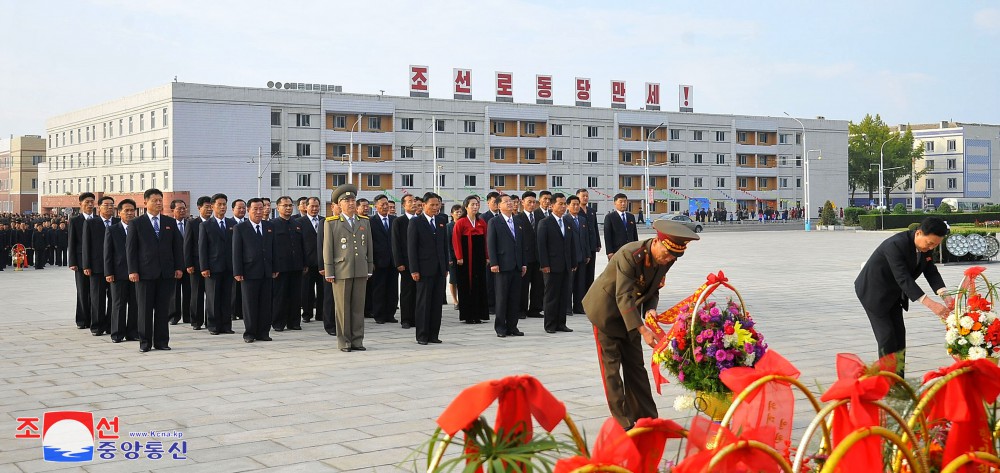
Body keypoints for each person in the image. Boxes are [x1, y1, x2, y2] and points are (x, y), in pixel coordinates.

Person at [584, 219, 699, 430]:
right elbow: (623, 295)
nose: (668, 260)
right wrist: (642, 329)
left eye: (672, 257)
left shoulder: (668, 258)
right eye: (666, 254)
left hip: (630, 314)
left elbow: (653, 288)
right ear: (656, 241)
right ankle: (625, 423)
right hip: (605, 312)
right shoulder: (630, 254)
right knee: (612, 368)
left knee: (636, 365)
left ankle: (647, 417)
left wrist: (650, 309)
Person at [855, 217, 952, 376]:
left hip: (894, 293)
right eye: (930, 243)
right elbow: (903, 277)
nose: (931, 247)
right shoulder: (895, 245)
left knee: (899, 337)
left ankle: (898, 381)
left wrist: (945, 295)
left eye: (936, 244)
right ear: (919, 233)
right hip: (874, 291)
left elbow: (930, 271)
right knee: (886, 337)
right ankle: (886, 381)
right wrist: (930, 304)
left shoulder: (925, 248)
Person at [127, 189, 184, 353]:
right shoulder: (136, 223)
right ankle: (145, 342)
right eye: (155, 200)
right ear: (145, 202)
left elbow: (177, 248)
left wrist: (178, 267)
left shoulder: (169, 222)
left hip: (166, 273)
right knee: (144, 309)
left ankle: (161, 341)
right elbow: (131, 249)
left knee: (162, 309)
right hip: (144, 273)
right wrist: (133, 270)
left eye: (160, 200)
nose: (158, 203)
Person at [323, 184, 374, 352]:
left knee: (358, 307)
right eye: (347, 200)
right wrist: (329, 271)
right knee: (343, 309)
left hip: (360, 269)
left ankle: (357, 340)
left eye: (353, 200)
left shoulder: (364, 222)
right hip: (341, 270)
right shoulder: (331, 223)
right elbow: (328, 248)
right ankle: (344, 342)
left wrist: (369, 267)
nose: (351, 203)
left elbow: (369, 247)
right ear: (339, 204)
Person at [408, 192, 449, 345]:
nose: (435, 208)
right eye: (432, 205)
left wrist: (445, 267)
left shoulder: (441, 221)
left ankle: (434, 334)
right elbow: (411, 248)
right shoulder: (416, 222)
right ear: (424, 205)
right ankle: (422, 335)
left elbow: (444, 246)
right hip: (423, 270)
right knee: (423, 304)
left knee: (436, 304)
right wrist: (414, 270)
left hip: (439, 269)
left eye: (437, 205)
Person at [233, 198, 276, 343]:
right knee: (250, 304)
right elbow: (236, 251)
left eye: (260, 209)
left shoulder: (269, 226)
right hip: (248, 272)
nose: (258, 212)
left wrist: (274, 268)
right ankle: (250, 332)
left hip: (266, 271)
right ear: (248, 210)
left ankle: (263, 332)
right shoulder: (240, 228)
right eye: (255, 209)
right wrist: (238, 271)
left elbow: (273, 249)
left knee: (265, 303)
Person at [536, 193, 577, 334]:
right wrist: (544, 264)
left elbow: (571, 243)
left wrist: (572, 262)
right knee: (551, 296)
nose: (564, 206)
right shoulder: (545, 223)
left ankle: (561, 323)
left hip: (565, 265)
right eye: (560, 204)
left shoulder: (567, 222)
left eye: (565, 203)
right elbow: (541, 246)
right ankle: (550, 324)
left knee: (563, 295)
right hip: (551, 266)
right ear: (552, 205)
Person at [487, 194, 526, 338]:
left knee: (514, 298)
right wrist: (494, 262)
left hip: (516, 265)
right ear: (498, 205)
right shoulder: (494, 222)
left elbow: (521, 244)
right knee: (502, 298)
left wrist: (523, 263)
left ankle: (512, 326)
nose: (510, 204)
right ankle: (500, 327)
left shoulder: (518, 220)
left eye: (511, 201)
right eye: (506, 202)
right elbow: (491, 244)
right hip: (502, 265)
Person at [199, 193, 235, 336]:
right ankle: (213, 325)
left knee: (227, 297)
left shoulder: (233, 224)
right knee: (213, 297)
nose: (222, 207)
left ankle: (226, 325)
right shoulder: (206, 225)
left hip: (229, 267)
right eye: (219, 204)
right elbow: (202, 248)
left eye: (224, 204)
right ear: (212, 206)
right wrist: (204, 267)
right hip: (212, 267)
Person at [104, 199, 139, 343]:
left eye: (132, 210)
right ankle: (117, 333)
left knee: (135, 304)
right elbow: (108, 253)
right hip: (118, 273)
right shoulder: (112, 229)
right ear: (120, 212)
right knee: (118, 304)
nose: (130, 213)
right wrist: (108, 272)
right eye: (127, 210)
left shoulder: (139, 228)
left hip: (136, 273)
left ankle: (132, 332)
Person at [82, 195, 118, 336]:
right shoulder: (91, 223)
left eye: (112, 205)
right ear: (99, 207)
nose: (110, 207)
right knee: (97, 298)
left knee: (114, 298)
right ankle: (97, 326)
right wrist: (86, 265)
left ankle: (111, 325)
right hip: (97, 267)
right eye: (106, 205)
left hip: (115, 267)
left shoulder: (117, 222)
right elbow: (86, 246)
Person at [452, 195, 490, 324]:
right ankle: (468, 315)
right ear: (466, 206)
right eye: (472, 204)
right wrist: (459, 257)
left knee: (479, 284)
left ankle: (479, 314)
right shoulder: (461, 222)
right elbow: (456, 240)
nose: (475, 206)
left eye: (477, 204)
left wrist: (487, 256)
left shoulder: (482, 222)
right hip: (465, 259)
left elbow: (486, 241)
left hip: (478, 258)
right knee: (466, 284)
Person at [270, 196, 306, 332]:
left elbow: (302, 245)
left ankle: (294, 322)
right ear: (278, 207)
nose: (288, 208)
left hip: (296, 265)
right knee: (280, 296)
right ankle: (278, 322)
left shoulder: (297, 224)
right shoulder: (272, 224)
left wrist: (304, 263)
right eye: (285, 205)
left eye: (290, 205)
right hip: (280, 267)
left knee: (296, 296)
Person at [368, 194, 398, 324]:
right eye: (382, 204)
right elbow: (369, 243)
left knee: (393, 288)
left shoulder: (394, 220)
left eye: (387, 204)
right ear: (376, 207)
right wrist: (371, 261)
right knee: (379, 288)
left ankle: (390, 314)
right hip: (378, 261)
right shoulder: (370, 221)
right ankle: (379, 315)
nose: (385, 207)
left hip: (393, 260)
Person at [68, 192, 96, 329]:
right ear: (80, 204)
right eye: (87, 202)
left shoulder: (97, 219)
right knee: (82, 291)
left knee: (95, 292)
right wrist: (72, 262)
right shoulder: (75, 220)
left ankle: (94, 319)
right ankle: (82, 319)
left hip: (96, 261)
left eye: (92, 202)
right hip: (79, 262)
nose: (90, 204)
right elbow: (72, 242)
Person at [184, 196, 212, 331]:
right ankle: (196, 321)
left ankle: (210, 321)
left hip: (212, 264)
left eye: (210, 206)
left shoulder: (214, 223)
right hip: (195, 264)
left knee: (212, 295)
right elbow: (187, 245)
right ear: (199, 208)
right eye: (206, 207)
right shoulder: (192, 223)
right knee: (196, 294)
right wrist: (188, 263)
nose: (209, 209)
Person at [515, 191, 544, 319]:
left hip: (538, 257)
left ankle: (535, 309)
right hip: (525, 257)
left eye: (534, 202)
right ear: (523, 203)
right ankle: (521, 309)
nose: (532, 205)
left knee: (538, 285)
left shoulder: (540, 218)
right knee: (523, 286)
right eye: (529, 202)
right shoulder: (517, 218)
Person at [392, 194, 419, 330]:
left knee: (419, 292)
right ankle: (406, 319)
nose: (413, 203)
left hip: (420, 262)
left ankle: (417, 317)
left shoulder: (420, 220)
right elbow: (395, 243)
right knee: (407, 291)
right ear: (403, 205)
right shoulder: (399, 222)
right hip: (406, 263)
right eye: (410, 201)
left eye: (414, 201)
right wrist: (399, 262)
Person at [298, 197, 324, 324]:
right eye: (312, 206)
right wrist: (302, 263)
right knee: (306, 290)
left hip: (323, 263)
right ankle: (307, 314)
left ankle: (321, 313)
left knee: (323, 289)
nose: (314, 209)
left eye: (317, 206)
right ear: (306, 207)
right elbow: (298, 245)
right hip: (307, 263)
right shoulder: (299, 222)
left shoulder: (325, 221)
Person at [566, 195, 592, 315]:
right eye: (573, 204)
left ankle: (578, 306)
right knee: (569, 284)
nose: (576, 207)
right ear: (568, 206)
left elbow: (586, 238)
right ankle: (567, 308)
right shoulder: (565, 220)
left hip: (582, 257)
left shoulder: (582, 220)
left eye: (577, 204)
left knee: (580, 284)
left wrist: (587, 254)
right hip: (571, 257)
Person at [169, 199, 191, 325]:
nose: (182, 211)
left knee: (189, 291)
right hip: (174, 265)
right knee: (174, 293)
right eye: (179, 209)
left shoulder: (190, 223)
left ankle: (187, 316)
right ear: (173, 210)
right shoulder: (169, 224)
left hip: (188, 265)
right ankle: (174, 316)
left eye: (184, 208)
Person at [576, 189, 601, 294]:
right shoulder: (576, 211)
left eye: (587, 196)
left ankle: (589, 295)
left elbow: (595, 227)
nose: (585, 198)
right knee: (581, 274)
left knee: (591, 272)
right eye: (583, 196)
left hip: (591, 246)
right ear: (578, 197)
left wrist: (598, 243)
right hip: (581, 247)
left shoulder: (591, 211)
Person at [604, 193, 638, 260]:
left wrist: (637, 248)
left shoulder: (631, 216)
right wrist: (609, 252)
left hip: (631, 250)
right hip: (617, 251)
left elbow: (634, 234)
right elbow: (607, 236)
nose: (623, 204)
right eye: (621, 202)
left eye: (625, 201)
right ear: (615, 203)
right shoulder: (610, 217)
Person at [230, 199, 248, 321]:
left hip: (247, 262)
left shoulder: (248, 223)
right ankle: (232, 312)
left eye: (243, 208)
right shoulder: (229, 223)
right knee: (233, 290)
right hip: (232, 261)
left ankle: (242, 312)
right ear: (233, 209)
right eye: (239, 208)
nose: (242, 210)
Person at [446, 204, 464, 310]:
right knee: (453, 280)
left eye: (460, 211)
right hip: (453, 257)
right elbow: (447, 243)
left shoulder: (464, 224)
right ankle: (455, 300)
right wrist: (449, 258)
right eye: (456, 211)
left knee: (462, 279)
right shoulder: (449, 226)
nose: (459, 213)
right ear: (451, 214)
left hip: (463, 256)